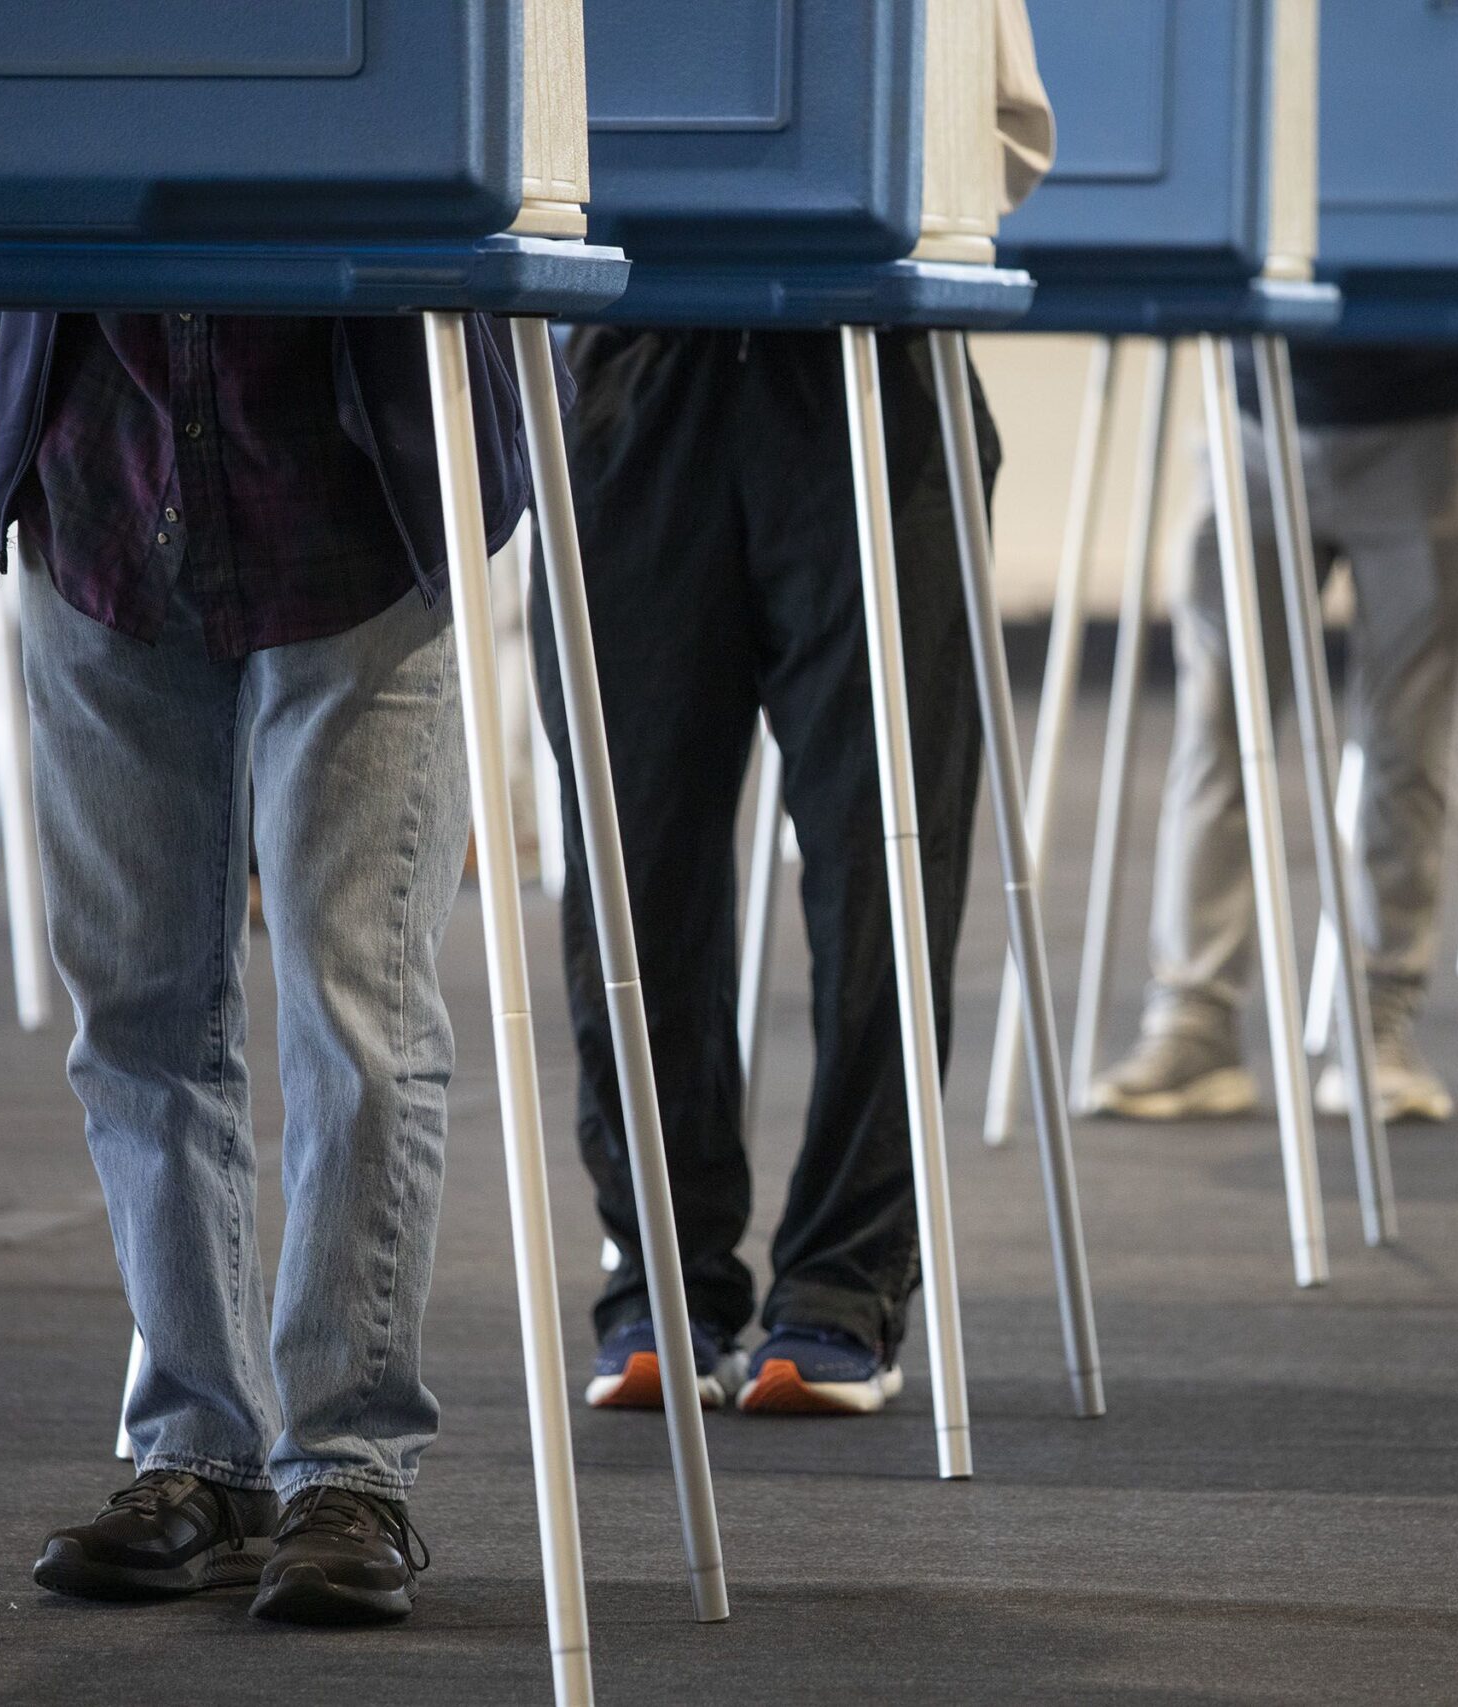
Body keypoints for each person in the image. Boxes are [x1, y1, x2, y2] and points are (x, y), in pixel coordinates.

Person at [527, 0, 1052, 1418]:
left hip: (869, 361)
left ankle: (845, 1283)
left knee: (888, 857)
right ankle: (663, 1275)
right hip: (639, 361)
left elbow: (1009, 136)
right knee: (633, 866)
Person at [5, 310, 534, 1621]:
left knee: (357, 1010)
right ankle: (197, 1451)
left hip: (361, 480)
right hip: (100, 478)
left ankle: (348, 1470)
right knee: (135, 1015)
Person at [1092, 122, 1458, 1124]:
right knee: (1216, 731)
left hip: (1428, 427)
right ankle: (1192, 1027)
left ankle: (1375, 1031)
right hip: (1256, 418)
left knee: (1404, 747)